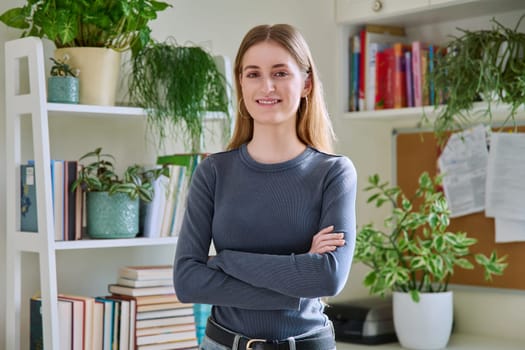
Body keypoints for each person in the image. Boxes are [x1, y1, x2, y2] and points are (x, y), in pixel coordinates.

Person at [174, 23, 357, 350]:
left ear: (306, 84)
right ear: (241, 83)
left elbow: (328, 277)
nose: (266, 86)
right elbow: (187, 281)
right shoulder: (213, 172)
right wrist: (297, 280)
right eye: (253, 74)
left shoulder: (333, 172)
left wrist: (226, 261)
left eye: (280, 73)